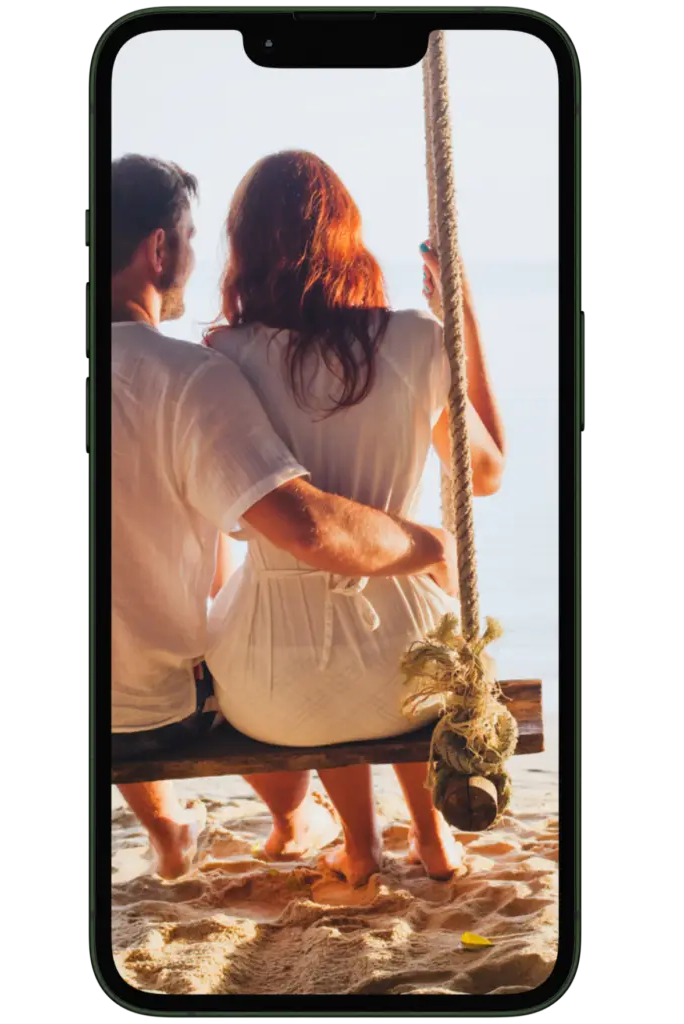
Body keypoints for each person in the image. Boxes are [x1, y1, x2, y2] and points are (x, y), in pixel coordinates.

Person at [111, 154, 460, 880]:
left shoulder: (224, 355)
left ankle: (319, 842)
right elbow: (315, 529)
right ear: (158, 249)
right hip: (182, 705)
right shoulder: (195, 377)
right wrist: (428, 542)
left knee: (255, 631)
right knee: (240, 647)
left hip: (212, 698)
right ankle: (367, 831)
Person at [204, 151, 506, 886]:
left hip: (271, 687)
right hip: (406, 664)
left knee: (325, 670)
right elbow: (487, 474)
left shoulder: (223, 356)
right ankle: (434, 845)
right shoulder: (413, 339)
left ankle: (361, 848)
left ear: (242, 245)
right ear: (348, 236)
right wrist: (457, 315)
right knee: (407, 658)